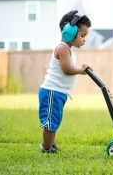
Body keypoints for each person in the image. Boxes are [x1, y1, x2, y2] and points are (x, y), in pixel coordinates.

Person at [38, 10, 92, 153]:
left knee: (55, 120)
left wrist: (80, 68)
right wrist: (80, 69)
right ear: (69, 32)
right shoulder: (62, 49)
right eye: (82, 36)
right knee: (50, 123)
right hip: (52, 92)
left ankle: (50, 144)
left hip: (59, 93)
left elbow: (69, 67)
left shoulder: (67, 50)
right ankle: (47, 147)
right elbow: (67, 69)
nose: (84, 40)